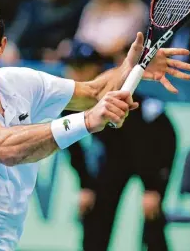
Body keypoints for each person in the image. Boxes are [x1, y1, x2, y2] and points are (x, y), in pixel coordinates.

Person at [0, 0, 190, 250]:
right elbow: (4, 147)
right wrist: (86, 121)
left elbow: (94, 92)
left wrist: (131, 69)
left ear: (1, 46)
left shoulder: (23, 83)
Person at [61, 41, 177, 251]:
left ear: (97, 68)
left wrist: (152, 187)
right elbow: (71, 144)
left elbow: (140, 143)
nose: (75, 72)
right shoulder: (69, 102)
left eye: (81, 66)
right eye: (72, 66)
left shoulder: (119, 94)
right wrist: (85, 185)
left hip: (154, 147)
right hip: (117, 153)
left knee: (151, 212)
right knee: (96, 210)